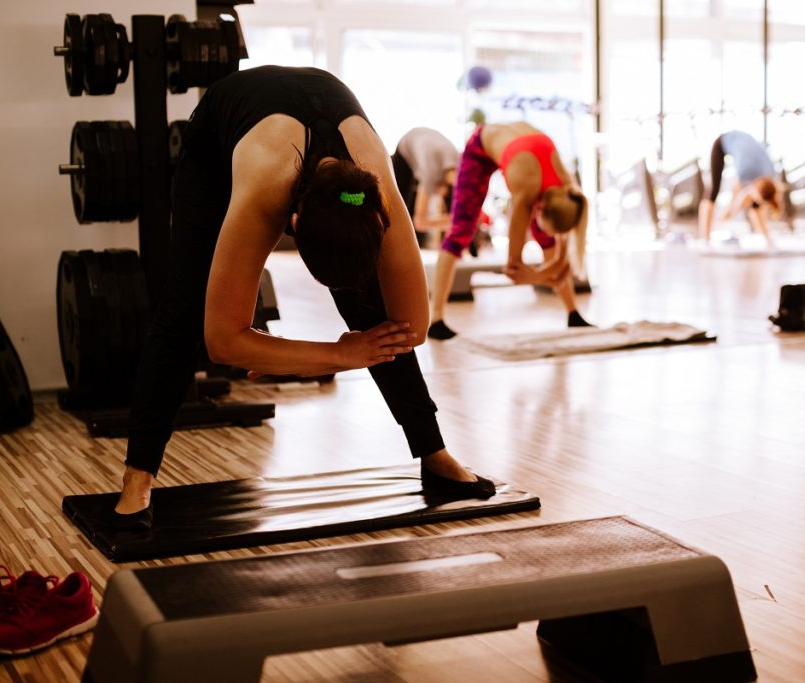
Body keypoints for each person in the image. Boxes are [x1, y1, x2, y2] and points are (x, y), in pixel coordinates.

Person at [112, 66, 495, 531]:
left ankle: (433, 453)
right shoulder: (264, 193)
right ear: (291, 224)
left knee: (377, 318)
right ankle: (137, 481)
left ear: (378, 225)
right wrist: (333, 353)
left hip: (318, 107)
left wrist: (303, 357)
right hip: (219, 137)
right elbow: (221, 342)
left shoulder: (380, 197)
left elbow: (411, 325)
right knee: (183, 311)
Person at [428, 122, 590, 340]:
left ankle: (574, 314)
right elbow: (513, 270)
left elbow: (562, 261)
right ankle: (436, 320)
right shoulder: (526, 191)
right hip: (481, 147)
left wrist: (547, 274)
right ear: (540, 209)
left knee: (547, 240)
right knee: (459, 233)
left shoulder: (568, 193)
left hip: (520, 149)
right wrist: (543, 277)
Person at [698, 130, 782, 246]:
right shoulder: (745, 171)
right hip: (722, 143)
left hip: (744, 143)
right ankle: (705, 238)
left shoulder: (771, 173)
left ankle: (768, 239)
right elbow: (737, 196)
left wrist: (731, 212)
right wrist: (727, 214)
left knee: (755, 204)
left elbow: (751, 199)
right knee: (713, 191)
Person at [391, 127, 458, 249]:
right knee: (398, 208)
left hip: (425, 138)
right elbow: (419, 222)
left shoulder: (458, 159)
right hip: (405, 148)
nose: (439, 196)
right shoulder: (431, 175)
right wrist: (451, 222)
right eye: (443, 195)